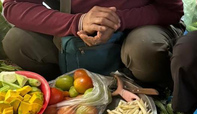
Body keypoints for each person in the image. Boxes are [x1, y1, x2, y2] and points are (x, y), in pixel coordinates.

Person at [2, 0, 184, 87]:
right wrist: (77, 23)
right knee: (17, 41)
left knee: (145, 49)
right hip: (76, 31)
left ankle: (144, 87)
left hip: (137, 28)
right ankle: (66, 86)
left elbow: (172, 11)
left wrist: (114, 20)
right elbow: (14, 7)